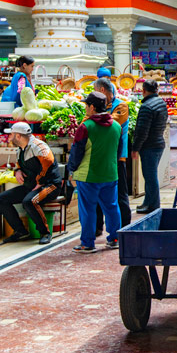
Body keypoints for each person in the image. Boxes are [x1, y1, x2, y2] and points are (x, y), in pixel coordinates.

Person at [67, 92, 122, 253]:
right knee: (112, 207)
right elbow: (118, 151)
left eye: (86, 105)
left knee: (88, 209)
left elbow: (76, 152)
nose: (85, 108)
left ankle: (87, 243)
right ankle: (114, 238)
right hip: (110, 173)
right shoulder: (116, 126)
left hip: (88, 175)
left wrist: (72, 171)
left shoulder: (86, 126)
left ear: (92, 107)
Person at [0, 122, 62, 244]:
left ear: (19, 136)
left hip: (50, 185)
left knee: (30, 201)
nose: (9, 138)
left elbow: (48, 161)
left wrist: (40, 181)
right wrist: (17, 171)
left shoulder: (38, 146)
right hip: (31, 186)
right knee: (1, 199)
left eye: (12, 135)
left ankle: (45, 233)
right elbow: (19, 165)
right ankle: (20, 231)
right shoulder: (20, 149)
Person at [93, 77, 131, 235]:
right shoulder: (100, 108)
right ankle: (97, 228)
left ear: (102, 90)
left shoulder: (120, 105)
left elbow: (111, 122)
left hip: (117, 157)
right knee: (97, 194)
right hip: (100, 156)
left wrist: (92, 117)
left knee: (120, 193)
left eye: (95, 91)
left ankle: (125, 226)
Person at [131, 79, 167, 214]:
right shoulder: (161, 103)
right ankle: (148, 202)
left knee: (150, 177)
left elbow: (142, 130)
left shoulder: (146, 107)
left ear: (144, 91)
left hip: (149, 145)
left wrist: (135, 148)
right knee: (150, 176)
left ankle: (153, 205)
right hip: (158, 142)